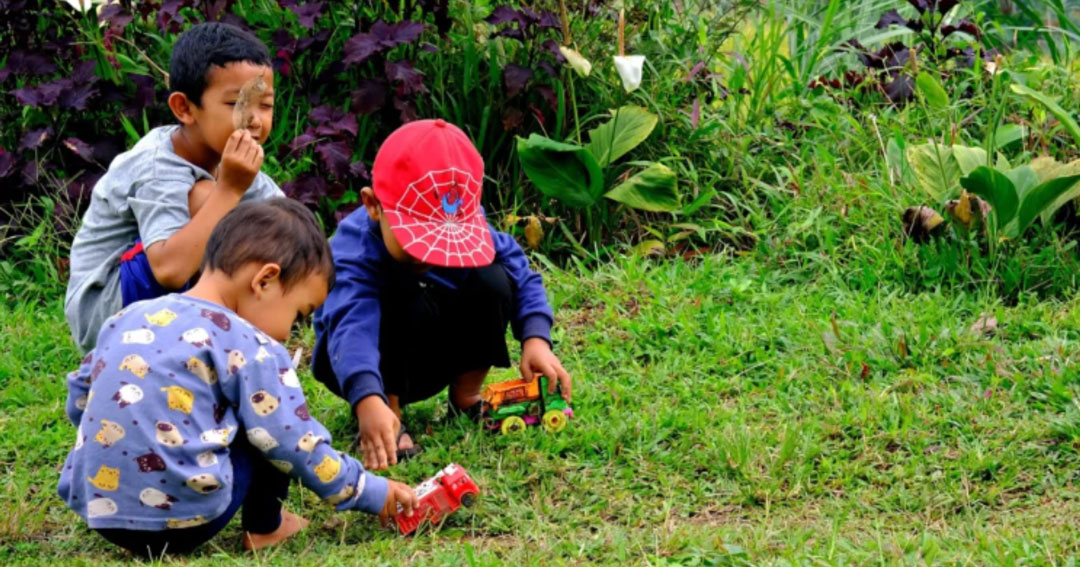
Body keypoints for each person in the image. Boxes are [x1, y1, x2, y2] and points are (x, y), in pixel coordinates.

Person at [57, 199, 417, 557]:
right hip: (186, 524)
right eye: (297, 314)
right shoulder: (251, 345)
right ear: (265, 280)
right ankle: (266, 527)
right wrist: (369, 490)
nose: (289, 333)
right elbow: (295, 443)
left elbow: (80, 396)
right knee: (270, 423)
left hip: (102, 513)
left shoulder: (129, 317)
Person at [312, 119, 573, 471]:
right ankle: (387, 412)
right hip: (360, 360)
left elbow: (519, 272)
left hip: (429, 347)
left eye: (445, 238)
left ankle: (466, 396)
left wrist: (536, 338)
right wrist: (366, 397)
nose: (431, 253)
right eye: (418, 238)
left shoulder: (462, 215)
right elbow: (351, 330)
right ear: (374, 206)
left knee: (492, 278)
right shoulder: (353, 253)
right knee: (396, 291)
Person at [65, 21, 283, 354]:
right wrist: (229, 190)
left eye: (264, 105)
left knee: (265, 223)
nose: (254, 119)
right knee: (207, 198)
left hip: (152, 306)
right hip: (107, 312)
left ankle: (226, 343)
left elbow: (288, 227)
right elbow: (170, 270)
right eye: (236, 104)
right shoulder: (158, 165)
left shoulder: (229, 163)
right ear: (185, 108)